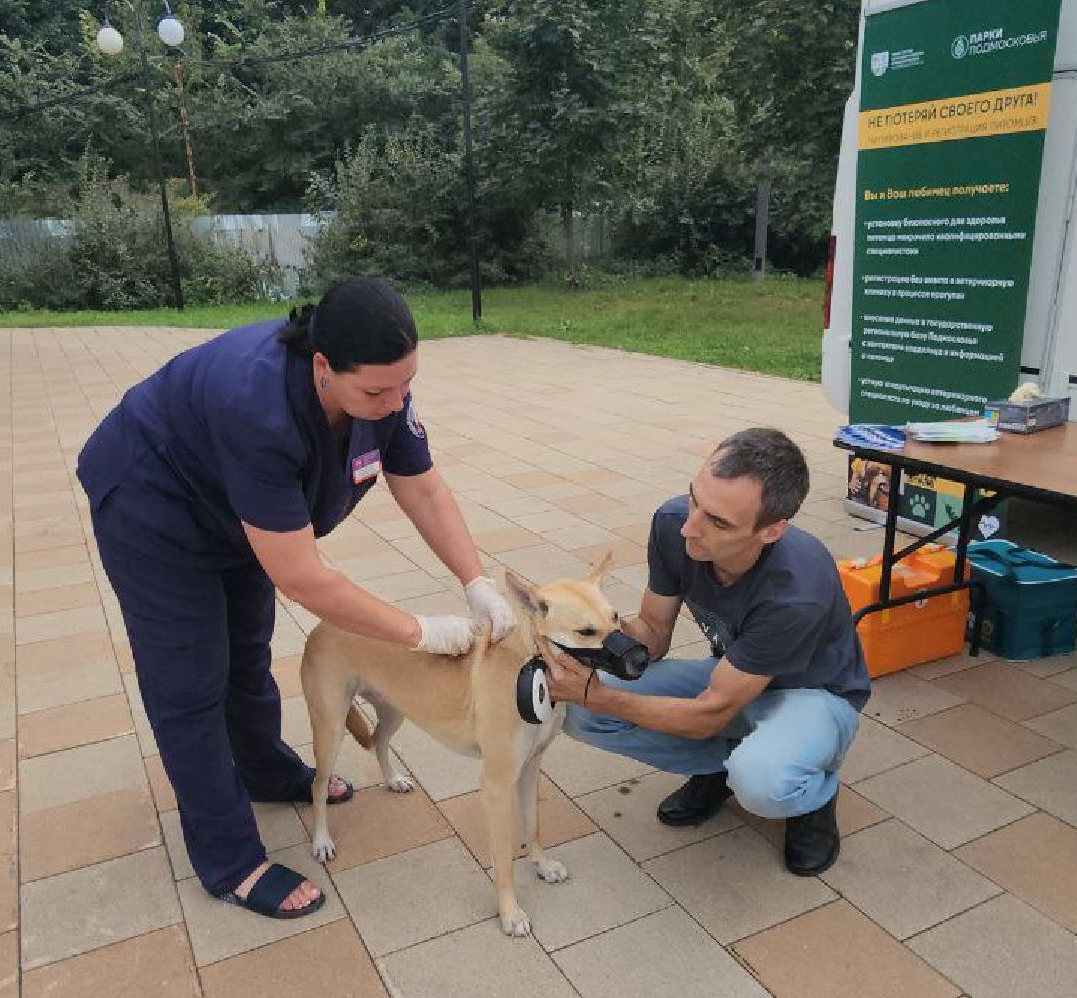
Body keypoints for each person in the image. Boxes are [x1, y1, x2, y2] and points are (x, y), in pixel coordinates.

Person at [76, 279, 515, 919]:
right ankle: (229, 860)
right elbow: (305, 580)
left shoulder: (380, 394)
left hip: (238, 513)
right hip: (154, 504)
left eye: (405, 384)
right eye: (376, 391)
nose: (395, 404)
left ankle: (261, 769)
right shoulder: (255, 406)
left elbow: (421, 488)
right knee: (190, 681)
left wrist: (476, 583)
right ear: (321, 368)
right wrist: (418, 633)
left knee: (247, 653)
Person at [549, 427, 868, 875]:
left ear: (772, 530)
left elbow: (708, 715)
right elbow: (655, 632)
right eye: (695, 498)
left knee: (762, 781)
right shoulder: (673, 524)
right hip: (732, 675)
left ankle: (812, 797)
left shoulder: (796, 593)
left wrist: (599, 693)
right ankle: (723, 766)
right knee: (582, 715)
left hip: (811, 694)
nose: (689, 527)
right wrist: (599, 636)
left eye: (718, 522)